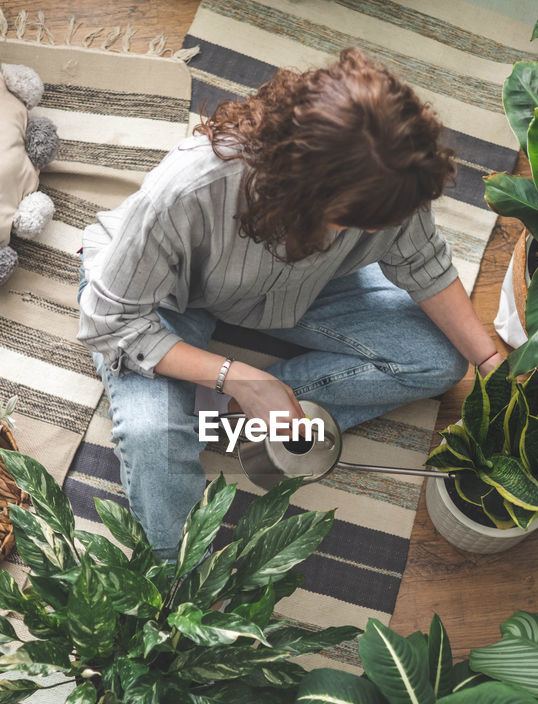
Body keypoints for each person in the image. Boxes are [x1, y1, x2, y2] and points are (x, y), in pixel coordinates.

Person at [78, 48, 503, 554]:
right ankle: (185, 580)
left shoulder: (390, 181)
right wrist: (238, 375)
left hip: (300, 290)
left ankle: (232, 422)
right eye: (358, 220)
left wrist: (492, 361)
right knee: (154, 439)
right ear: (304, 188)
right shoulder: (190, 189)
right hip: (164, 300)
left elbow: (423, 263)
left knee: (439, 359)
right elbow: (110, 321)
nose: (375, 230)